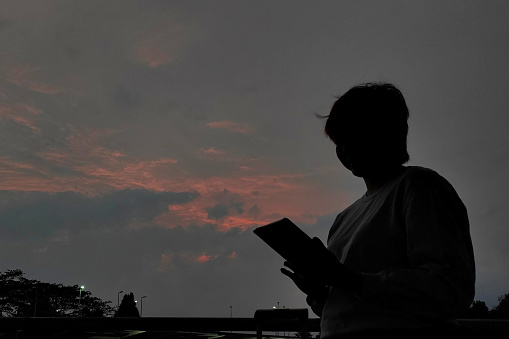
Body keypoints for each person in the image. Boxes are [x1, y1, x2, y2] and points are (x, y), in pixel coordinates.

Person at [281, 82, 475, 338]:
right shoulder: (344, 219)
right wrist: (320, 292)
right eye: (339, 141)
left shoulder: (419, 187)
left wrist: (349, 279)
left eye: (354, 135)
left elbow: (449, 289)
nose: (344, 149)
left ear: (385, 132)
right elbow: (351, 306)